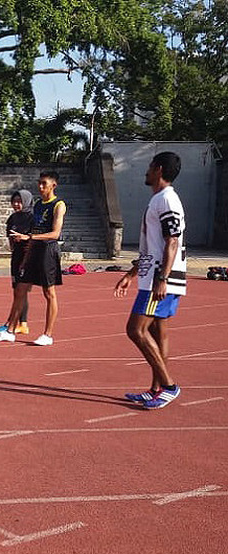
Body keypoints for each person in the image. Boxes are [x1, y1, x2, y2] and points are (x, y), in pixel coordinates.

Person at [114, 151, 186, 410]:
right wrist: (132, 274)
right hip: (154, 276)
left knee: (136, 329)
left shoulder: (166, 200)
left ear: (157, 169)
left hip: (160, 280)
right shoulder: (159, 199)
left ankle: (168, 386)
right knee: (157, 331)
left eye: (148, 166)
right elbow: (152, 247)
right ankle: (157, 389)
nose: (145, 171)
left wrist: (162, 278)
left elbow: (172, 240)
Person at [0, 171, 66, 346]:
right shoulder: (38, 205)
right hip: (34, 250)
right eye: (39, 183)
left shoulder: (58, 205)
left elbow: (55, 233)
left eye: (44, 184)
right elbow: (34, 231)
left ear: (53, 185)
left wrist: (28, 238)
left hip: (48, 250)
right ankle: (10, 330)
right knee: (20, 289)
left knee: (49, 293)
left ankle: (47, 334)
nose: (40, 187)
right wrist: (26, 254)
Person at [0, 190, 34, 336]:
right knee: (16, 290)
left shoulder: (32, 218)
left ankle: (20, 323)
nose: (16, 204)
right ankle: (18, 322)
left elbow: (34, 238)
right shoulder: (12, 218)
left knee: (22, 291)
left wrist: (25, 240)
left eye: (19, 201)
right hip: (16, 256)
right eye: (14, 201)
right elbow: (10, 236)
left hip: (27, 257)